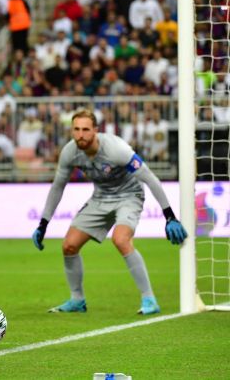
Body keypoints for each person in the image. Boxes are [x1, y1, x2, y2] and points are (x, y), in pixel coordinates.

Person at [31, 109, 187, 315]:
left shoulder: (117, 149)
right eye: (76, 129)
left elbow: (150, 178)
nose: (80, 134)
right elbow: (58, 186)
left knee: (121, 239)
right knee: (69, 246)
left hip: (129, 196)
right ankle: (77, 300)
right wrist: (43, 223)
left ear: (95, 130)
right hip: (100, 198)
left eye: (85, 129)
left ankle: (149, 299)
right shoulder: (70, 152)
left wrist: (170, 217)